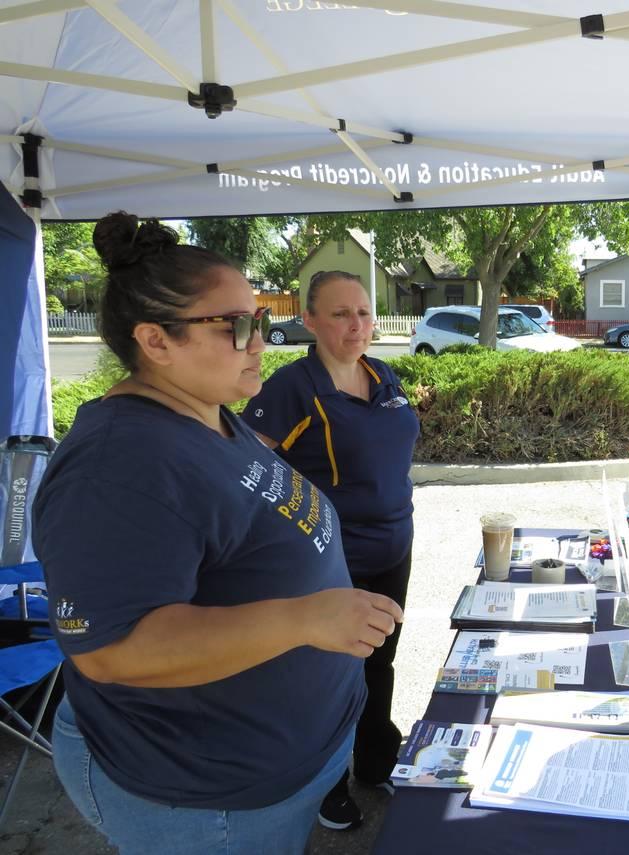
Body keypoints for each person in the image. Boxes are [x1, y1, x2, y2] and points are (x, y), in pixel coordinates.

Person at [32, 213, 403, 855]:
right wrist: (302, 620)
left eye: (258, 320)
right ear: (156, 340)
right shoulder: (117, 465)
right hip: (204, 795)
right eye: (235, 326)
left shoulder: (210, 417)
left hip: (275, 762)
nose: (260, 340)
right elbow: (113, 650)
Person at [241, 269, 419, 830]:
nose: (357, 325)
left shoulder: (382, 374)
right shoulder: (291, 387)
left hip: (394, 547)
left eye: (364, 313)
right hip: (334, 562)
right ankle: (324, 786)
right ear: (311, 320)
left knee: (379, 662)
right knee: (327, 677)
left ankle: (376, 761)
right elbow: (247, 471)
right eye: (341, 314)